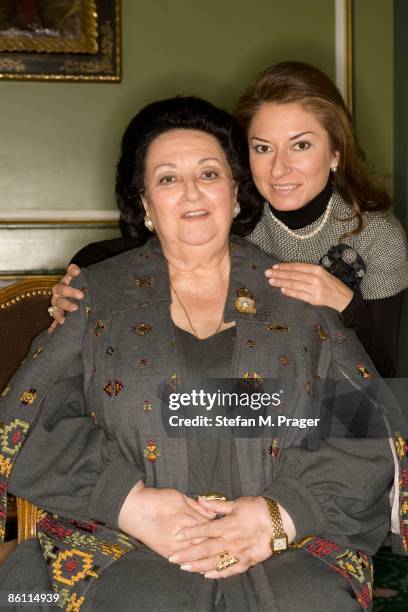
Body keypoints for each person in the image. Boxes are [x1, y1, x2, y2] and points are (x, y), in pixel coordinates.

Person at [0, 96, 405, 612]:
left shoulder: (299, 296)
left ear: (236, 194)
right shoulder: (95, 295)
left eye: (209, 173)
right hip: (121, 542)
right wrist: (131, 504)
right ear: (144, 203)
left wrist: (277, 516)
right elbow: (28, 416)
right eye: (168, 178)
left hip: (287, 546)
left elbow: (365, 428)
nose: (191, 191)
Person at [49, 62, 408, 378]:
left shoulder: (380, 235)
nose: (279, 168)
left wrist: (346, 303)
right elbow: (140, 249)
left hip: (335, 410)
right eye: (263, 148)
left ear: (335, 152)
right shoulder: (237, 216)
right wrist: (81, 277)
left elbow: (384, 372)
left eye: (301, 145)